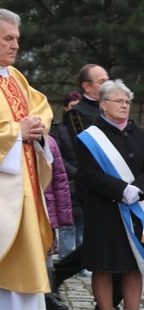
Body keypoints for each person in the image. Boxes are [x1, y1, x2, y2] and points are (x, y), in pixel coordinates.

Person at [76, 80, 144, 310]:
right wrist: (121, 189)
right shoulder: (90, 137)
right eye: (119, 101)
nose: (124, 106)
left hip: (135, 210)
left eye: (127, 102)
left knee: (134, 267)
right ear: (103, 105)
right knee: (104, 267)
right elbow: (89, 175)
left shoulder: (139, 134)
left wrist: (139, 189)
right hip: (104, 211)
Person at [0, 8, 54, 310]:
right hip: (4, 191)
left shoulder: (15, 77)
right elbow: (16, 128)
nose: (16, 45)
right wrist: (16, 132)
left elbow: (42, 107)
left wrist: (35, 126)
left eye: (17, 39)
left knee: (19, 263)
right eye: (8, 38)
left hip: (23, 187)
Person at [57, 64, 126, 310]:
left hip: (120, 189)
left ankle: (106, 304)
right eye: (101, 81)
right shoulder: (77, 114)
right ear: (87, 86)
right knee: (103, 245)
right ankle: (61, 274)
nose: (108, 83)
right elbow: (85, 149)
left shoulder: (118, 109)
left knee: (115, 244)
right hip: (95, 188)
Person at [50, 91, 83, 261]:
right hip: (68, 183)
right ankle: (66, 259)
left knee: (83, 225)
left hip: (85, 183)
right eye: (71, 106)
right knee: (68, 225)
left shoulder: (86, 129)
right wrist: (74, 172)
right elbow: (57, 156)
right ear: (65, 108)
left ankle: (82, 261)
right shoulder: (59, 129)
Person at [44, 135, 73, 310]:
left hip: (46, 209)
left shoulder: (49, 142)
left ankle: (49, 294)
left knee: (46, 255)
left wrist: (63, 216)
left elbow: (60, 180)